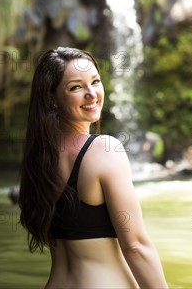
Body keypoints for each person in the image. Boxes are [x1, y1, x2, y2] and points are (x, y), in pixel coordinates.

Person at [18, 47, 168, 288]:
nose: (91, 94)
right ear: (51, 97)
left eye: (95, 82)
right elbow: (136, 246)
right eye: (76, 87)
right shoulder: (105, 149)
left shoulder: (38, 158)